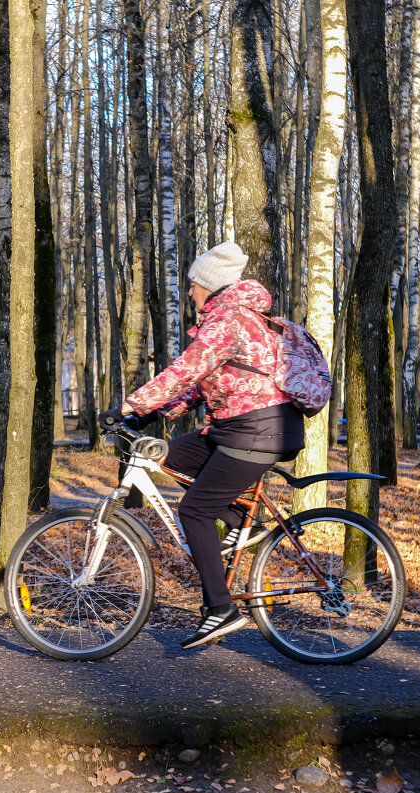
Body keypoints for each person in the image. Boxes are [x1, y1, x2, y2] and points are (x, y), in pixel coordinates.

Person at [110, 241, 305, 650]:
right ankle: (240, 523)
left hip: (256, 431)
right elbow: (202, 386)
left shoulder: (230, 321)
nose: (191, 293)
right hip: (236, 429)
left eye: (195, 285)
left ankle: (221, 609)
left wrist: (131, 403)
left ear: (212, 287)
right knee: (165, 455)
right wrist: (149, 415)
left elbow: (183, 371)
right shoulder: (236, 319)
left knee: (195, 510)